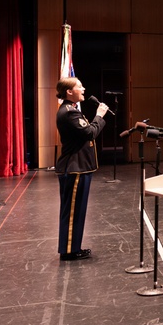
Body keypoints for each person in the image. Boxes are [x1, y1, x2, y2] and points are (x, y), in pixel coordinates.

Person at [54, 77, 108, 261]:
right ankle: (68, 250)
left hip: (79, 167)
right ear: (69, 91)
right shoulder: (69, 112)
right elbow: (90, 133)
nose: (83, 89)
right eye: (79, 86)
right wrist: (99, 115)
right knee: (72, 212)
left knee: (77, 211)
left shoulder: (71, 110)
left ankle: (72, 248)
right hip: (74, 167)